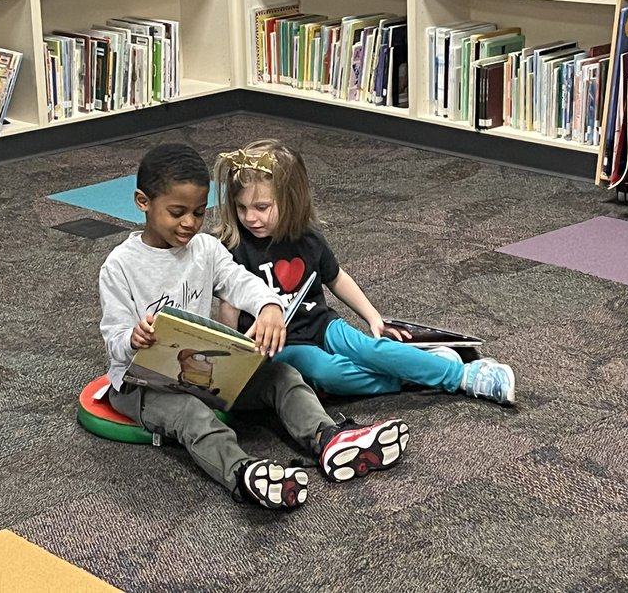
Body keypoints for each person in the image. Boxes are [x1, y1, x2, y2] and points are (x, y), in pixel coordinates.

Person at [99, 142, 410, 511]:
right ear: (142, 202)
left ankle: (328, 437)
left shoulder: (205, 249)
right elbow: (114, 339)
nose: (189, 223)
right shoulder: (119, 266)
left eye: (198, 212)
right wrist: (133, 339)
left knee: (282, 375)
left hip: (199, 371)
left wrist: (269, 306)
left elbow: (240, 282)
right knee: (191, 414)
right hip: (139, 385)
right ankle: (244, 474)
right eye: (177, 213)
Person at [214, 140, 516, 405]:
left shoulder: (308, 238)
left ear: (291, 201)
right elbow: (229, 305)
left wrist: (372, 317)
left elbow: (336, 278)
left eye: (261, 207)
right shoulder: (234, 246)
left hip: (322, 324)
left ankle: (464, 375)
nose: (250, 217)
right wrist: (234, 353)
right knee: (326, 373)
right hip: (281, 344)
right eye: (241, 208)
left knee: (371, 349)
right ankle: (419, 374)